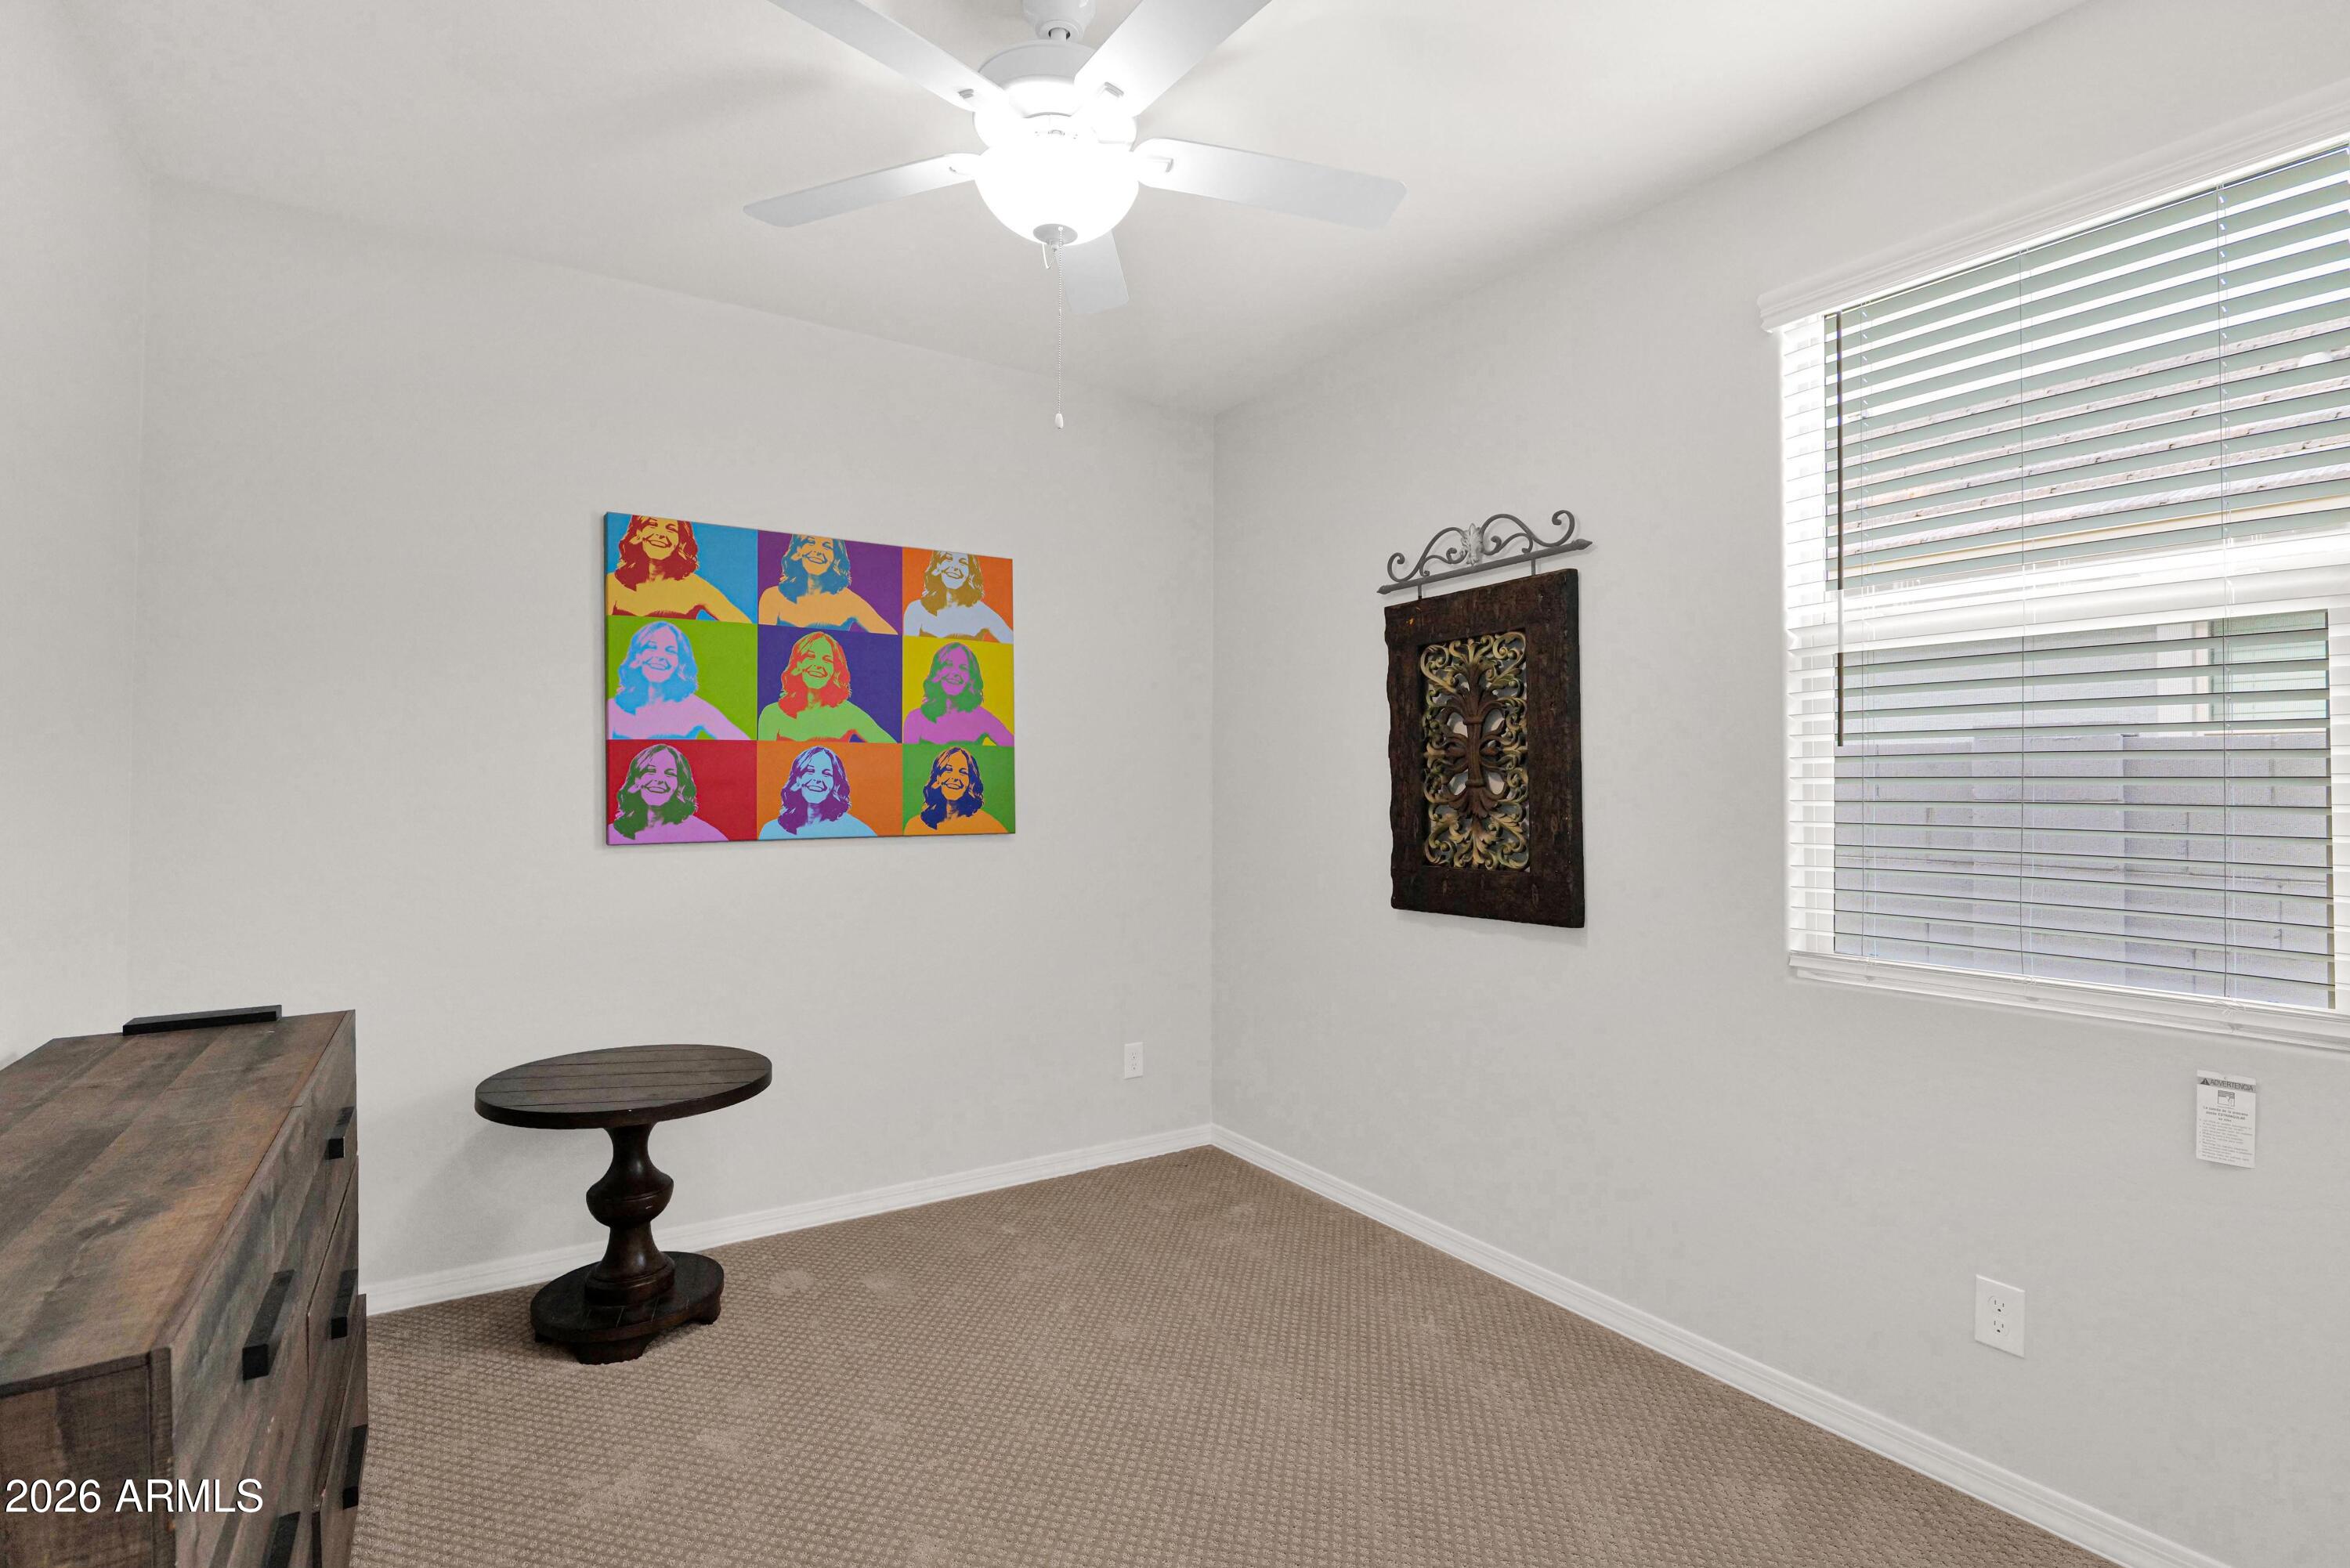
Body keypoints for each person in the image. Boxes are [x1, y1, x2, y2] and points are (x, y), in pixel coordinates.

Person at [609, 622, 748, 740]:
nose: (660, 656)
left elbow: (744, 743)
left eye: (670, 651)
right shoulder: (613, 707)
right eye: (651, 647)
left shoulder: (696, 709)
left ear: (680, 663)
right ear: (637, 657)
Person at [606, 515, 750, 621]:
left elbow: (745, 626)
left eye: (671, 529)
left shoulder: (695, 587)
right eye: (652, 524)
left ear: (681, 541)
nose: (660, 534)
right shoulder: (613, 583)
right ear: (638, 533)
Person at [757, 630, 891, 742]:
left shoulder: (849, 714)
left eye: (827, 660)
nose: (818, 665)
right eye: (810, 656)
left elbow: (893, 749)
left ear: (835, 671)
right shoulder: (772, 714)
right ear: (798, 664)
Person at [757, 534, 895, 632]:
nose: (818, 551)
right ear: (797, 551)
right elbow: (764, 649)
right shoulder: (773, 597)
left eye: (827, 546)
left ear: (836, 558)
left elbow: (891, 638)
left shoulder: (849, 601)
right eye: (810, 542)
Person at [609, 744, 727, 844]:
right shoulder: (612, 833)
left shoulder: (706, 834)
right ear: (636, 780)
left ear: (680, 785)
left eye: (670, 774)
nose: (659, 779)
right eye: (650, 771)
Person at [901, 640, 1012, 746]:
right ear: (937, 672)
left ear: (971, 678)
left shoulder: (983, 718)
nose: (955, 673)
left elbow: (1014, 750)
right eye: (948, 665)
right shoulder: (915, 719)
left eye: (963, 668)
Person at [759, 746, 876, 840]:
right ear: (797, 778)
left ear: (836, 784)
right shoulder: (771, 830)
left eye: (826, 773)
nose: (817, 779)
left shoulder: (856, 830)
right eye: (810, 771)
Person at [900, 550, 1012, 642]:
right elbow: (908, 658)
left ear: (970, 573)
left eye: (963, 563)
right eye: (948, 559)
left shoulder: (982, 613)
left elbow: (1012, 643)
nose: (955, 567)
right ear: (938, 566)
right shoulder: (916, 610)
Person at [904, 746, 1005, 835]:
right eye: (948, 769)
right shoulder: (915, 826)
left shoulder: (987, 824)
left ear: (971, 782)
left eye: (963, 772)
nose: (955, 777)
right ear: (938, 777)